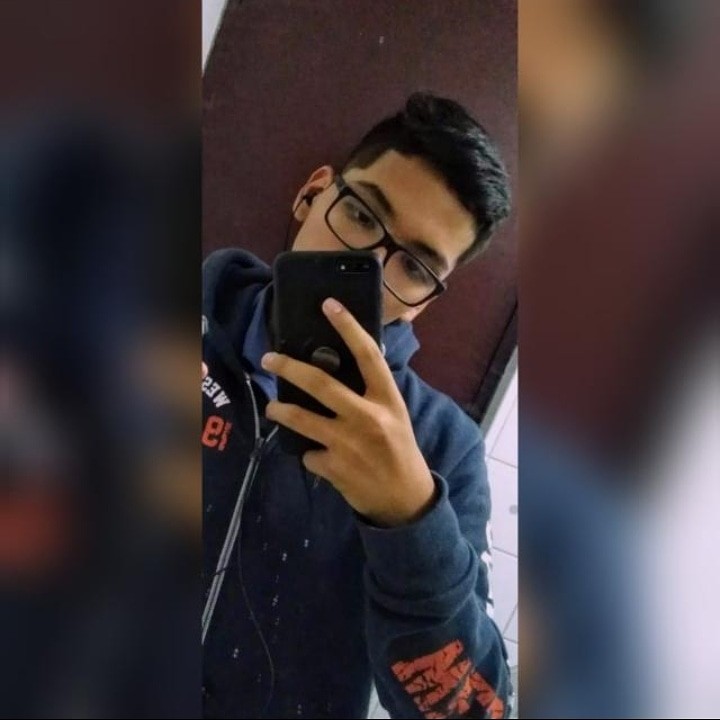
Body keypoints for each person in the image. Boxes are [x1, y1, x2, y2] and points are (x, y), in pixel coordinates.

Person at [202, 92, 512, 719]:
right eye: (363, 214)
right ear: (313, 193)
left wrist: (410, 520)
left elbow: (473, 712)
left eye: (415, 266)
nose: (364, 264)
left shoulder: (442, 450)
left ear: (426, 301)